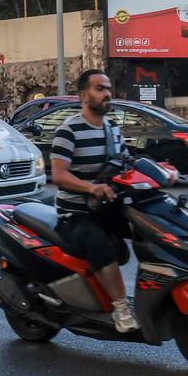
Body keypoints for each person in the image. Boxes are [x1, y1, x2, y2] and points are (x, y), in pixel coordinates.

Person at [50, 69, 138, 333]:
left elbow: (125, 164)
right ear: (83, 95)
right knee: (100, 244)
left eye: (108, 88)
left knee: (149, 229)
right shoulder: (69, 131)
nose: (107, 93)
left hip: (106, 208)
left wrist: (159, 171)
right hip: (75, 214)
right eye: (100, 88)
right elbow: (59, 175)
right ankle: (120, 309)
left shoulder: (112, 129)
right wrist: (90, 187)